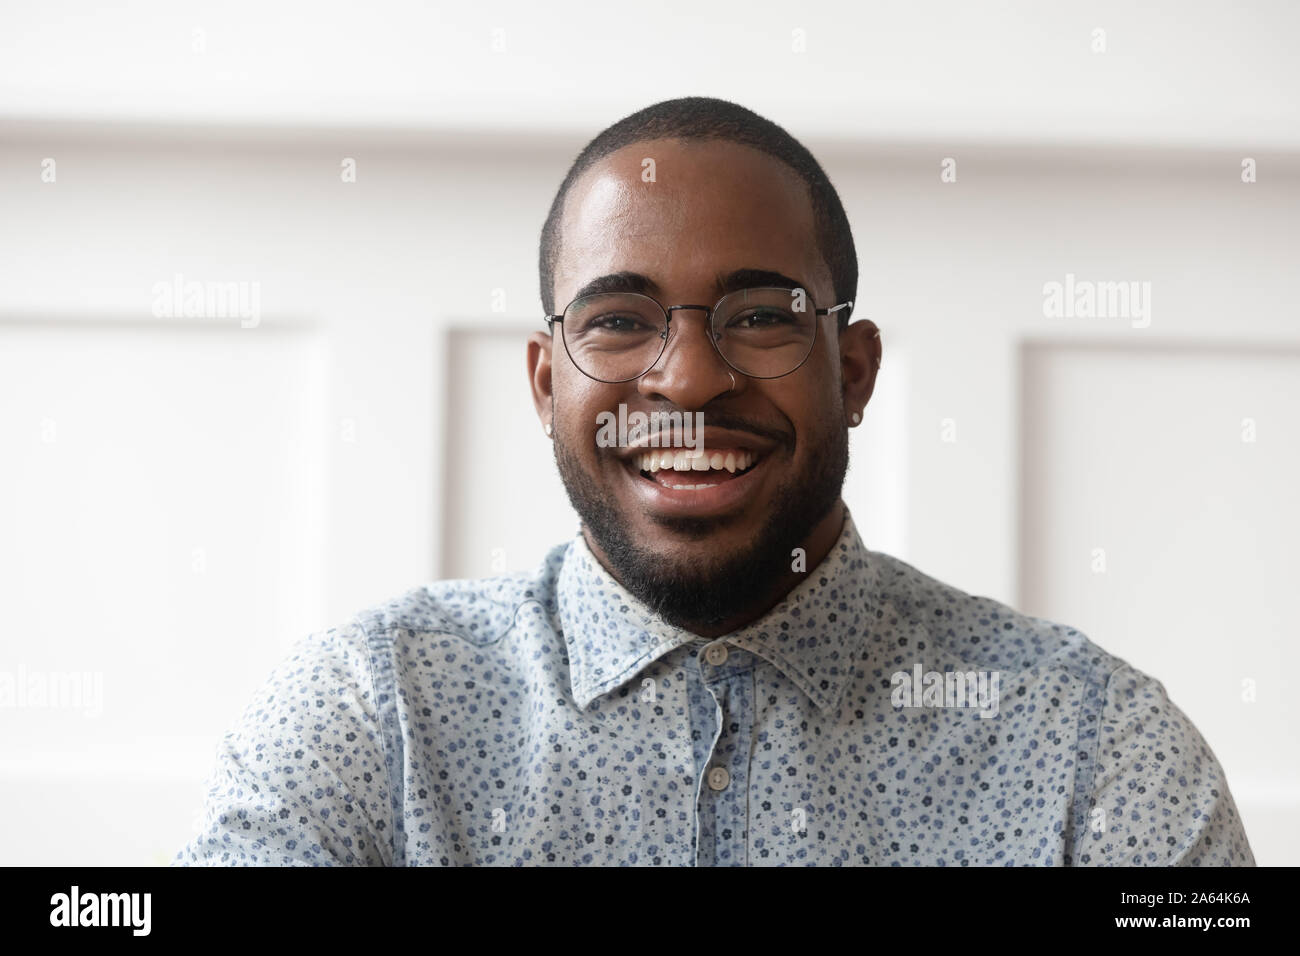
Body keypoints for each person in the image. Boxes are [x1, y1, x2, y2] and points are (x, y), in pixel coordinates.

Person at [175, 96, 1254, 866]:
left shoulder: (1091, 744)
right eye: (618, 318)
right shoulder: (373, 713)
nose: (688, 375)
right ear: (546, 383)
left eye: (759, 315)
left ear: (855, 368)